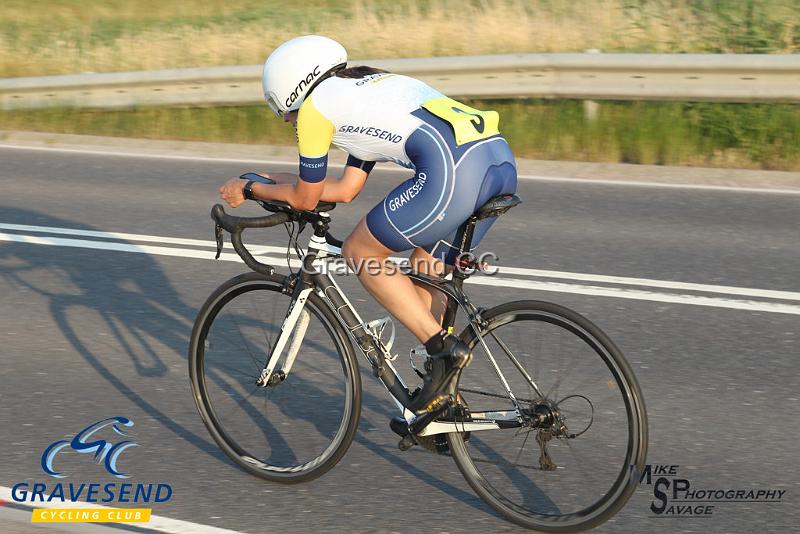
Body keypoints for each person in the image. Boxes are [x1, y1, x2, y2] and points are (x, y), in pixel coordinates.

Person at [219, 35, 517, 415]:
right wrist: (269, 181)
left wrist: (249, 187)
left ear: (290, 95)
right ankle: (444, 404)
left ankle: (444, 355)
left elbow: (307, 199)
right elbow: (345, 188)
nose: (291, 122)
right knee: (424, 275)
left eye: (285, 114)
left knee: (359, 251)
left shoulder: (314, 110)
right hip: (498, 164)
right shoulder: (363, 89)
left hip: (455, 173)